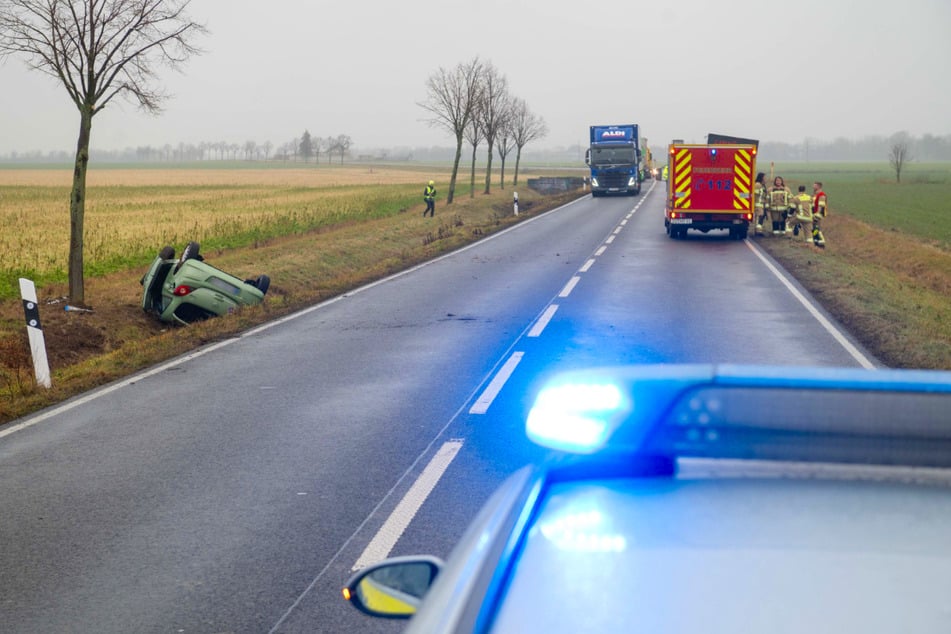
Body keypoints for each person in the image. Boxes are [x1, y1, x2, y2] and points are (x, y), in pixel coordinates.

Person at [812, 181, 827, 247]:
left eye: (814, 185)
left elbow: (821, 206)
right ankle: (816, 241)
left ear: (818, 186)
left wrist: (817, 215)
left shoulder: (821, 195)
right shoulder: (815, 195)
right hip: (814, 214)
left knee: (817, 228)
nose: (813, 186)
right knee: (814, 229)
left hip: (817, 214)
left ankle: (821, 242)